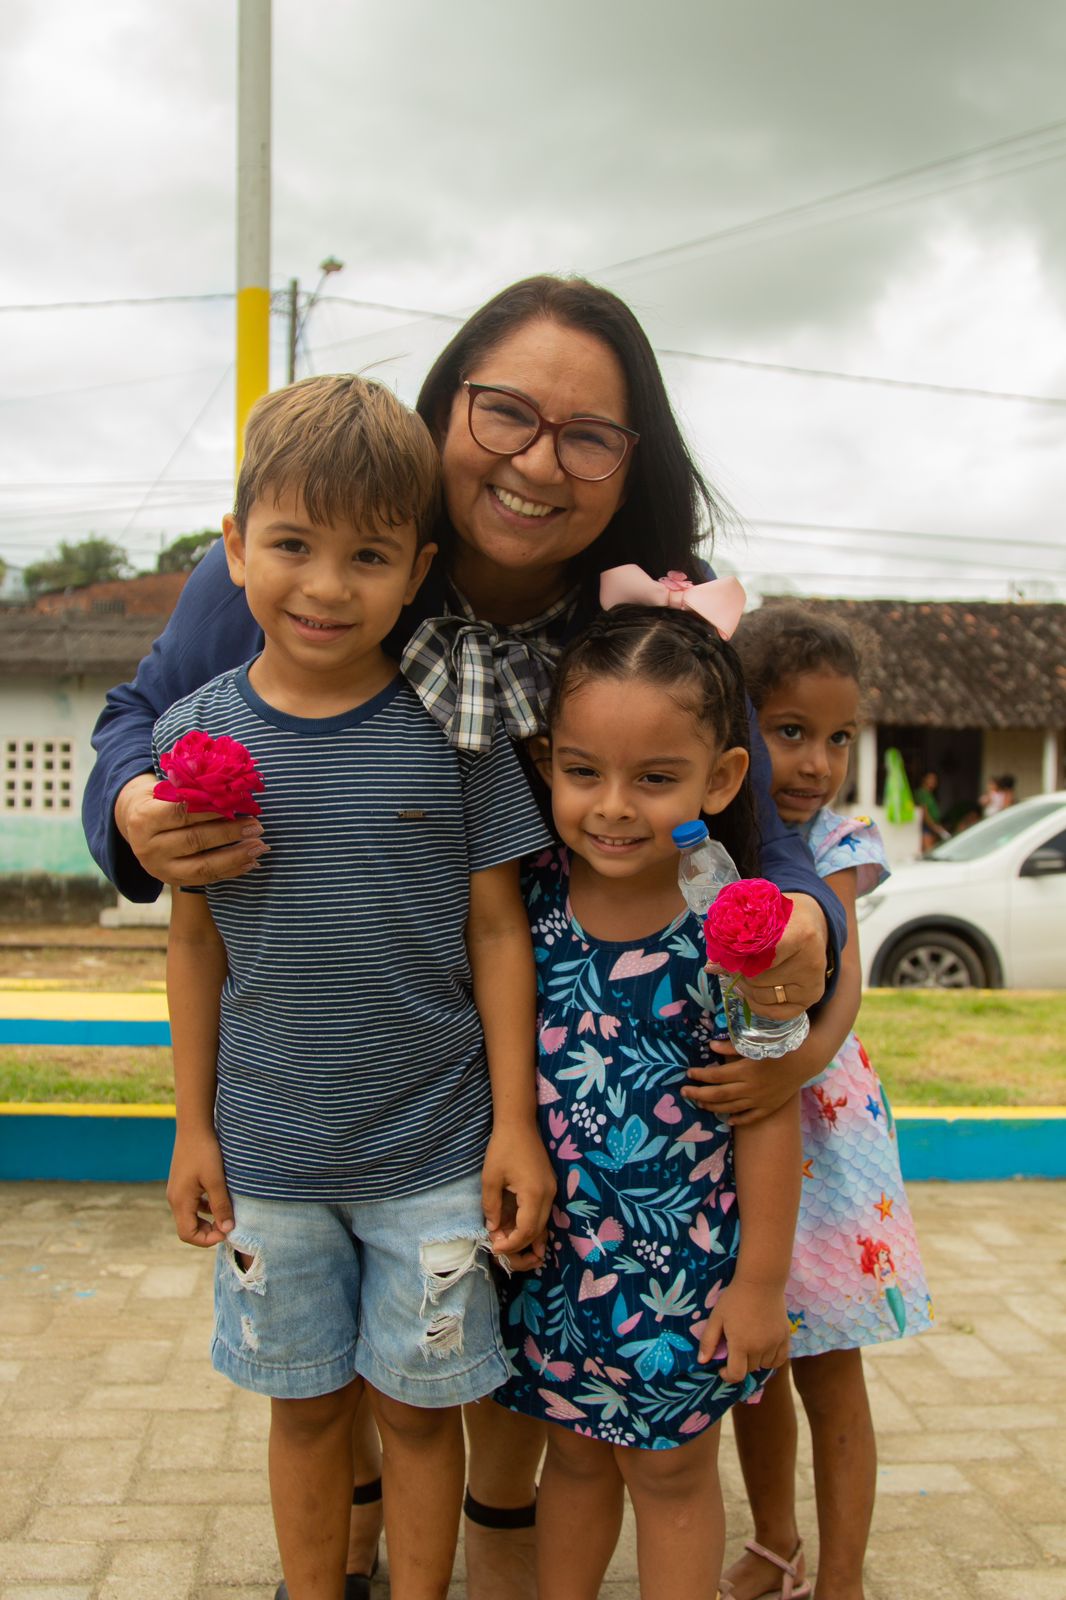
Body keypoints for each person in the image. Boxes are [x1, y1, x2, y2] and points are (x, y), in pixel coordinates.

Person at [82, 274, 847, 1597]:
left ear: (630, 464)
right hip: (321, 1074)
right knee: (343, 1378)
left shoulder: (643, 620)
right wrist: (141, 806)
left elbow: (775, 868)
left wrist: (811, 1006)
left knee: (473, 1345)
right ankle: (348, 1552)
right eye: (505, 412)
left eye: (588, 435)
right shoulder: (310, 537)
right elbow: (137, 726)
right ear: (448, 410)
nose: (538, 460)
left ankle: (484, 1563)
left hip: (532, 1064)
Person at [155, 374, 556, 1600]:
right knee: (307, 1412)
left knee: (420, 1413)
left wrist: (514, 1123)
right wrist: (191, 1126)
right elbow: (192, 944)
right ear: (234, 548)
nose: (327, 586)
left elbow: (499, 933)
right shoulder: (196, 738)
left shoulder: (455, 733)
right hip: (270, 1159)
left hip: (434, 1156)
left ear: (417, 567)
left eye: (369, 555)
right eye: (290, 545)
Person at [495, 603, 801, 1600]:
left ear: (720, 778)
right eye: (583, 771)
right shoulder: (527, 900)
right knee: (573, 1459)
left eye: (655, 777)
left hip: (686, 1278)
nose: (613, 806)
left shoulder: (734, 926)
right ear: (546, 761)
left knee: (670, 1474)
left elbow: (766, 1107)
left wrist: (759, 1285)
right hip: (555, 1263)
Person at [692, 605, 932, 1600]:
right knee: (754, 1357)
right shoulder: (708, 831)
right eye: (788, 731)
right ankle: (776, 1542)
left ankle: (841, 1579)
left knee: (832, 1367)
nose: (816, 763)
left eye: (838, 738)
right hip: (736, 1125)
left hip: (821, 1131)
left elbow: (844, 983)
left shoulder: (834, 842)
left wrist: (795, 1066)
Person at [913, 770, 948, 854]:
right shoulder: (921, 793)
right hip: (927, 827)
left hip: (933, 826)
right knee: (929, 852)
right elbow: (924, 813)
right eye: (930, 778)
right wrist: (934, 827)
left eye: (935, 779)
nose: (933, 781)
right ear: (924, 779)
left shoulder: (930, 794)